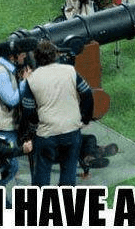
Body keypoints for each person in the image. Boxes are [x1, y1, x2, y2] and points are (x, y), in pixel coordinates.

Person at [21, 39, 94, 187]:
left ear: (36, 57)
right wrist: (85, 118)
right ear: (55, 55)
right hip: (71, 130)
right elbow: (87, 94)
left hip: (46, 134)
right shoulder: (70, 71)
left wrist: (37, 122)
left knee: (41, 177)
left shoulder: (32, 79)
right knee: (68, 174)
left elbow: (28, 110)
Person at [0, 37, 38, 194]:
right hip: (0, 128)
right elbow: (12, 99)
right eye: (22, 54)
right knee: (9, 166)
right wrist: (25, 81)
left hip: (6, 125)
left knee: (8, 166)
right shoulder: (0, 73)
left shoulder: (7, 69)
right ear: (12, 56)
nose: (24, 57)